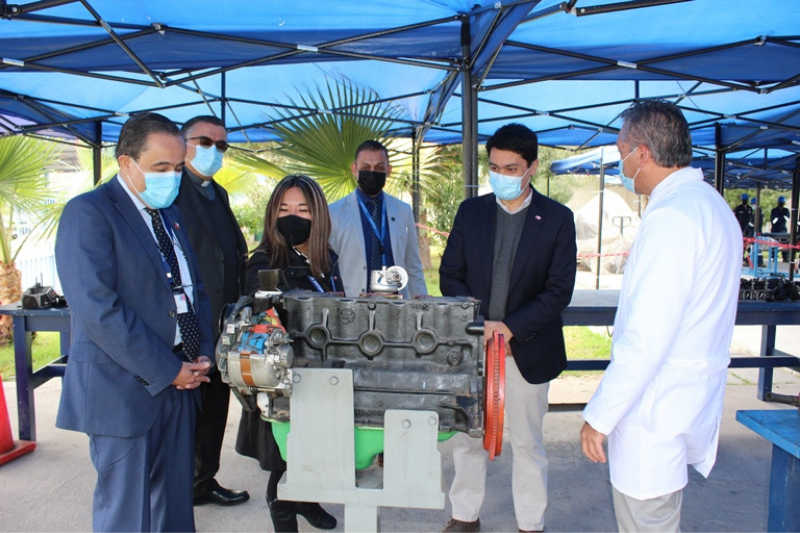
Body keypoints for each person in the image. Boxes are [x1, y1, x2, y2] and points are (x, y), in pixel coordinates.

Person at [580, 100, 741, 533]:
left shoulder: (672, 216)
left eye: (621, 152)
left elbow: (646, 337)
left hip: (656, 413)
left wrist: (600, 415)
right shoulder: (711, 207)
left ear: (643, 154)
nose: (621, 163)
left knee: (647, 520)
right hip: (682, 402)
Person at [55, 112, 214, 532]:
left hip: (182, 382)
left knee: (175, 510)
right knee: (127, 515)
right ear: (126, 163)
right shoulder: (88, 213)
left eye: (178, 167)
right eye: (161, 168)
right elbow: (97, 310)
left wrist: (201, 354)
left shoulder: (170, 214)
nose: (172, 177)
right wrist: (169, 370)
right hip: (123, 390)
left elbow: (196, 289)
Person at [439, 123, 577, 533]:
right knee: (467, 438)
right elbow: (450, 276)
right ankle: (465, 517)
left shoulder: (557, 219)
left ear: (533, 167)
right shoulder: (471, 212)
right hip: (475, 348)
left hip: (526, 350)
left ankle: (530, 525)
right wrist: (482, 326)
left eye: (512, 167)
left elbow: (557, 292)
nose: (501, 175)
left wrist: (509, 328)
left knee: (528, 444)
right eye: (495, 166)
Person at [235, 175, 339, 533]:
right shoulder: (264, 260)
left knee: (312, 450)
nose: (292, 217)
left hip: (321, 371)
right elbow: (258, 316)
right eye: (284, 209)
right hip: (282, 378)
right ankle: (282, 512)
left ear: (319, 216)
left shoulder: (326, 260)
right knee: (285, 455)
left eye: (302, 209)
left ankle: (307, 501)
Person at [173, 115, 251, 507]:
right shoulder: (170, 189)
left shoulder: (216, 192)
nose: (213, 151)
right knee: (188, 411)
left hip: (223, 321)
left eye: (221, 145)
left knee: (216, 407)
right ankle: (178, 487)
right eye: (205, 141)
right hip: (188, 322)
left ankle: (203, 482)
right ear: (182, 141)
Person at [328, 140, 427, 298]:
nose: (372, 172)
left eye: (379, 168)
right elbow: (328, 269)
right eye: (366, 168)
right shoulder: (333, 212)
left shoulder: (403, 210)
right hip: (353, 307)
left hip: (397, 306)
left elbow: (413, 264)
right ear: (354, 169)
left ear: (388, 170)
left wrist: (422, 304)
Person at [770, 196, 791, 261]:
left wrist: (779, 217)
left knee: (784, 244)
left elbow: (787, 219)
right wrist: (780, 217)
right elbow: (773, 221)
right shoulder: (774, 210)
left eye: (782, 202)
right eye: (780, 202)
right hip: (775, 229)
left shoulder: (786, 210)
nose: (781, 203)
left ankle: (785, 257)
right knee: (774, 244)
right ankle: (774, 257)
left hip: (783, 229)